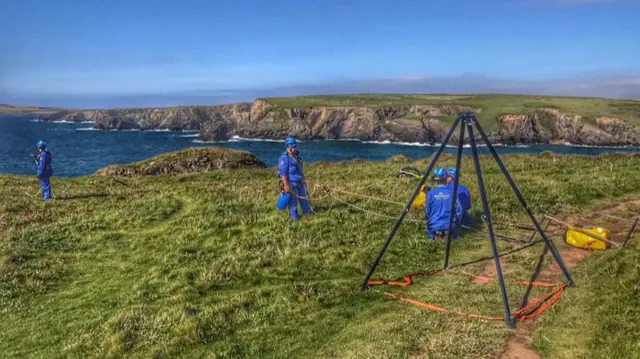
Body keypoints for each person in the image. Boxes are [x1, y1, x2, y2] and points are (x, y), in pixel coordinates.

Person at [278, 136, 312, 220]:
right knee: (293, 203)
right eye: (294, 147)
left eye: (296, 146)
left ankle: (308, 216)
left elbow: (300, 170)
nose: (295, 148)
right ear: (289, 147)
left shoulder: (297, 156)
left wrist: (304, 180)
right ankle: (294, 219)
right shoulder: (284, 158)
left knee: (305, 200)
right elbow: (283, 174)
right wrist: (286, 185)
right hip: (291, 184)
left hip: (300, 182)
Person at [425, 168, 463, 240]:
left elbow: (427, 212)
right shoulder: (452, 192)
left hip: (434, 227)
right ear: (446, 178)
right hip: (450, 226)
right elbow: (459, 211)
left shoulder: (430, 194)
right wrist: (457, 223)